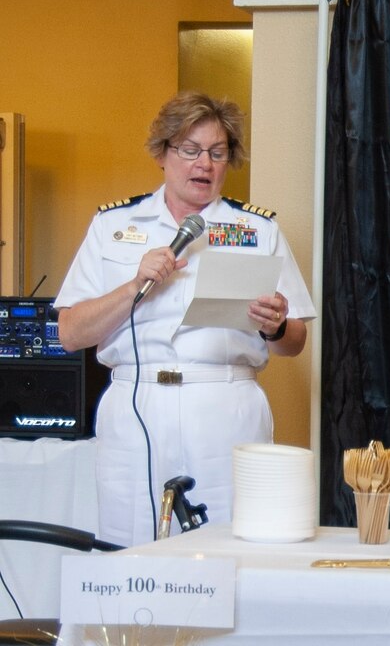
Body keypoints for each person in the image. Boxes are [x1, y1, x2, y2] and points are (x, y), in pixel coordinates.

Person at [55, 91, 315, 547]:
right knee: (128, 543)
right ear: (162, 154)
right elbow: (71, 334)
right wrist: (134, 286)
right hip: (137, 405)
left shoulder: (258, 231)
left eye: (217, 153)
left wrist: (274, 325)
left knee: (231, 544)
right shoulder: (113, 226)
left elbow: (293, 341)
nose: (205, 165)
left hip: (225, 403)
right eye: (190, 150)